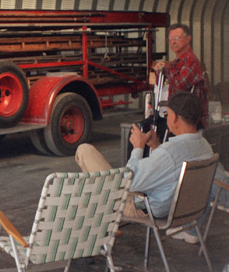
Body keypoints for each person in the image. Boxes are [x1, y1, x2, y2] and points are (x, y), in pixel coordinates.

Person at [76, 92, 226, 243]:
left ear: (174, 118)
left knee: (84, 151)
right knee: (95, 187)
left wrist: (138, 148)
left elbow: (129, 182)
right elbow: (172, 170)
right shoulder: (204, 146)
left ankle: (95, 226)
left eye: (168, 114)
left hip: (145, 208)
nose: (167, 118)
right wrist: (155, 146)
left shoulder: (169, 152)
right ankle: (100, 220)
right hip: (182, 211)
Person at [153, 23, 209, 128]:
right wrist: (159, 73)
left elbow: (180, 85)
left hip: (189, 120)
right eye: (170, 39)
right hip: (177, 115)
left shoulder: (191, 60)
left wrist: (167, 69)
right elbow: (163, 85)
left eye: (177, 38)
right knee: (142, 127)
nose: (173, 42)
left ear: (188, 39)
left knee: (147, 129)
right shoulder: (176, 62)